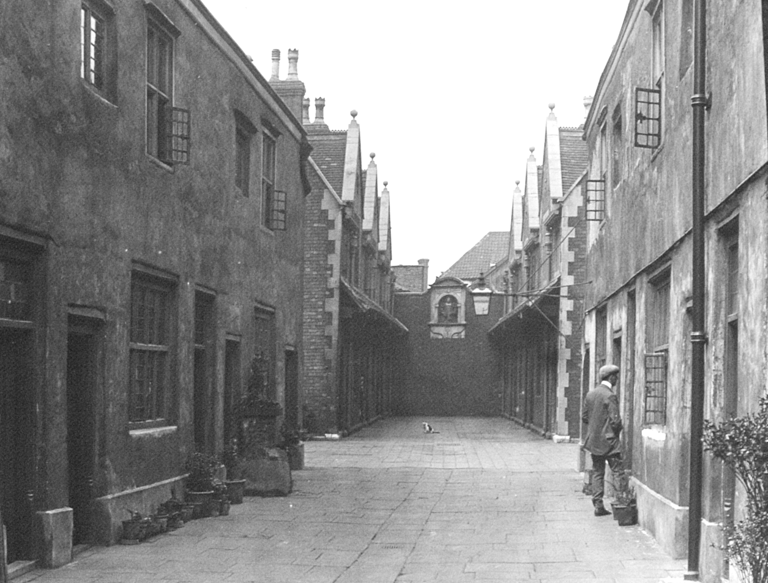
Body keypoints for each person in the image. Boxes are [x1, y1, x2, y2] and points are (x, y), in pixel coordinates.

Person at [582, 364, 623, 516]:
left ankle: (598, 505)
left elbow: (585, 417)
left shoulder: (591, 394)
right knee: (618, 471)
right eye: (616, 377)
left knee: (598, 471)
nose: (617, 379)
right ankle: (621, 504)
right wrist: (615, 432)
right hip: (610, 441)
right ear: (611, 377)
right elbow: (615, 421)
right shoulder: (610, 395)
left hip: (594, 441)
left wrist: (596, 428)